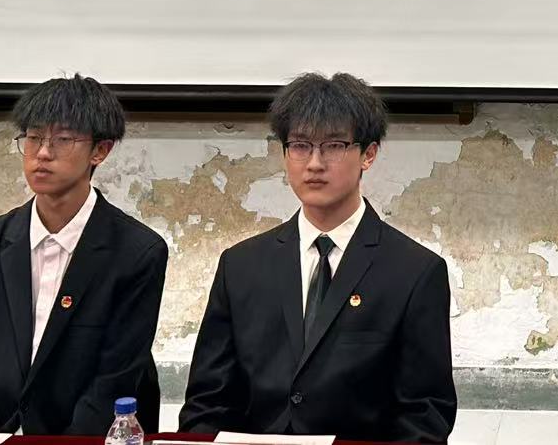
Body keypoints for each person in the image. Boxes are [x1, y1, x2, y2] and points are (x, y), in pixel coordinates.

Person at [181, 72, 456, 443]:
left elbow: (424, 416)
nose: (314, 162)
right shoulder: (240, 266)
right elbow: (207, 404)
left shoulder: (415, 272)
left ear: (368, 154)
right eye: (300, 145)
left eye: (333, 146)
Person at [0, 75, 168, 433]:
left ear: (100, 151)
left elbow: (111, 385)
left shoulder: (137, 253)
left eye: (63, 140)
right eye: (34, 138)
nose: (42, 153)